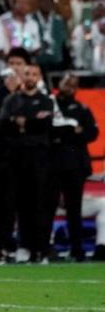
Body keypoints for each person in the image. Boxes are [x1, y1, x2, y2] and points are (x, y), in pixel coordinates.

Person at [0, 61, 54, 263]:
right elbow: (4, 124)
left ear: (39, 78)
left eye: (34, 74)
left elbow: (44, 124)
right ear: (21, 76)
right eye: (26, 73)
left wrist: (23, 123)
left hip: (38, 157)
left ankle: (40, 249)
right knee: (12, 202)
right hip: (14, 157)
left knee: (38, 203)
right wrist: (29, 123)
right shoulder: (11, 100)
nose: (29, 77)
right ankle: (14, 247)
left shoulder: (46, 100)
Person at [49, 74, 99, 262]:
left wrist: (66, 135)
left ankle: (76, 250)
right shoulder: (50, 105)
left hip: (75, 166)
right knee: (47, 208)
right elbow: (49, 131)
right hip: (52, 165)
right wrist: (72, 131)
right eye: (66, 82)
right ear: (59, 83)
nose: (69, 86)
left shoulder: (81, 108)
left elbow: (92, 133)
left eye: (73, 84)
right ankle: (47, 248)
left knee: (74, 209)